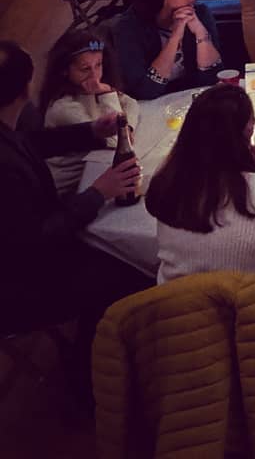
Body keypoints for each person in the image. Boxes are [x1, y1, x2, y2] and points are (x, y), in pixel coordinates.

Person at [0, 40, 147, 399]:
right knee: (129, 268)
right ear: (25, 88)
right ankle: (90, 382)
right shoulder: (3, 167)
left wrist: (91, 131)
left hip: (26, 258)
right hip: (19, 287)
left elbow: (32, 144)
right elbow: (35, 242)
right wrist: (98, 192)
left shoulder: (8, 132)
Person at [145, 83, 255, 283]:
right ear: (248, 131)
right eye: (252, 121)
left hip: (173, 306)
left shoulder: (167, 181)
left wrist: (246, 159)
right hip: (243, 307)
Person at [40, 28, 140, 196]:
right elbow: (116, 143)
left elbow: (132, 104)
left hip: (97, 171)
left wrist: (127, 128)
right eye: (85, 69)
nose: (95, 76)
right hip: (71, 191)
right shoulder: (64, 108)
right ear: (65, 70)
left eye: (98, 65)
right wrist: (107, 93)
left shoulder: (91, 87)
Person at [111, 0, 224, 101]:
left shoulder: (200, 14)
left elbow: (214, 78)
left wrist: (200, 33)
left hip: (193, 98)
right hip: (153, 104)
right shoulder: (129, 28)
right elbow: (144, 91)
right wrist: (175, 38)